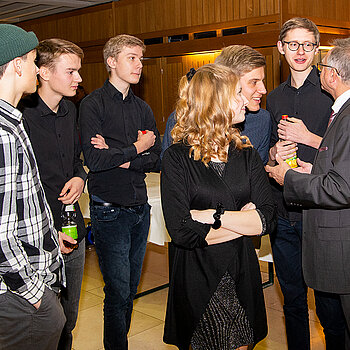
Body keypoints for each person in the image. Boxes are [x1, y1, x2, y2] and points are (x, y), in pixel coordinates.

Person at [161, 63, 276, 350]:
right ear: (215, 102)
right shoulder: (177, 158)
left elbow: (267, 219)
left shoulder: (246, 153)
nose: (243, 99)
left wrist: (213, 216)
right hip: (199, 275)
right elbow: (182, 232)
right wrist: (244, 222)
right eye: (237, 92)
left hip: (241, 271)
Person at [267, 17, 346, 349]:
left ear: (318, 50)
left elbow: (340, 157)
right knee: (293, 301)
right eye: (293, 44)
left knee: (329, 307)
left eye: (308, 45)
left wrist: (308, 137)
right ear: (281, 48)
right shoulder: (272, 97)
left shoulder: (333, 91)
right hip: (283, 211)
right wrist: (273, 150)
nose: (300, 51)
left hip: (320, 213)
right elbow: (268, 150)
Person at [79, 34, 161, 350]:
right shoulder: (92, 105)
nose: (139, 65)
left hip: (140, 208)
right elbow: (96, 161)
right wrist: (136, 148)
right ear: (111, 61)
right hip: (109, 209)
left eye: (141, 58)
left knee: (128, 290)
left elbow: (158, 160)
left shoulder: (142, 107)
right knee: (117, 291)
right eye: (131, 58)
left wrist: (124, 157)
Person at [0, 24, 66, 350]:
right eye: (32, 60)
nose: (37, 68)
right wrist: (33, 293)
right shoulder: (2, 132)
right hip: (17, 298)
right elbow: (0, 234)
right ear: (16, 65)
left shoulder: (12, 120)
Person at [18, 38, 87, 350]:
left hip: (72, 225)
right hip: (39, 237)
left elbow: (75, 160)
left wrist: (79, 176)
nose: (79, 78)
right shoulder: (21, 118)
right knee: (45, 321)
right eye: (71, 71)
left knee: (68, 319)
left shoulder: (70, 110)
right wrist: (49, 230)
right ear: (43, 72)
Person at [161, 45, 271, 166]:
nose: (263, 90)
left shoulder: (263, 120)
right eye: (254, 82)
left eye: (262, 81)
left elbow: (260, 171)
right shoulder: (183, 118)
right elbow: (168, 171)